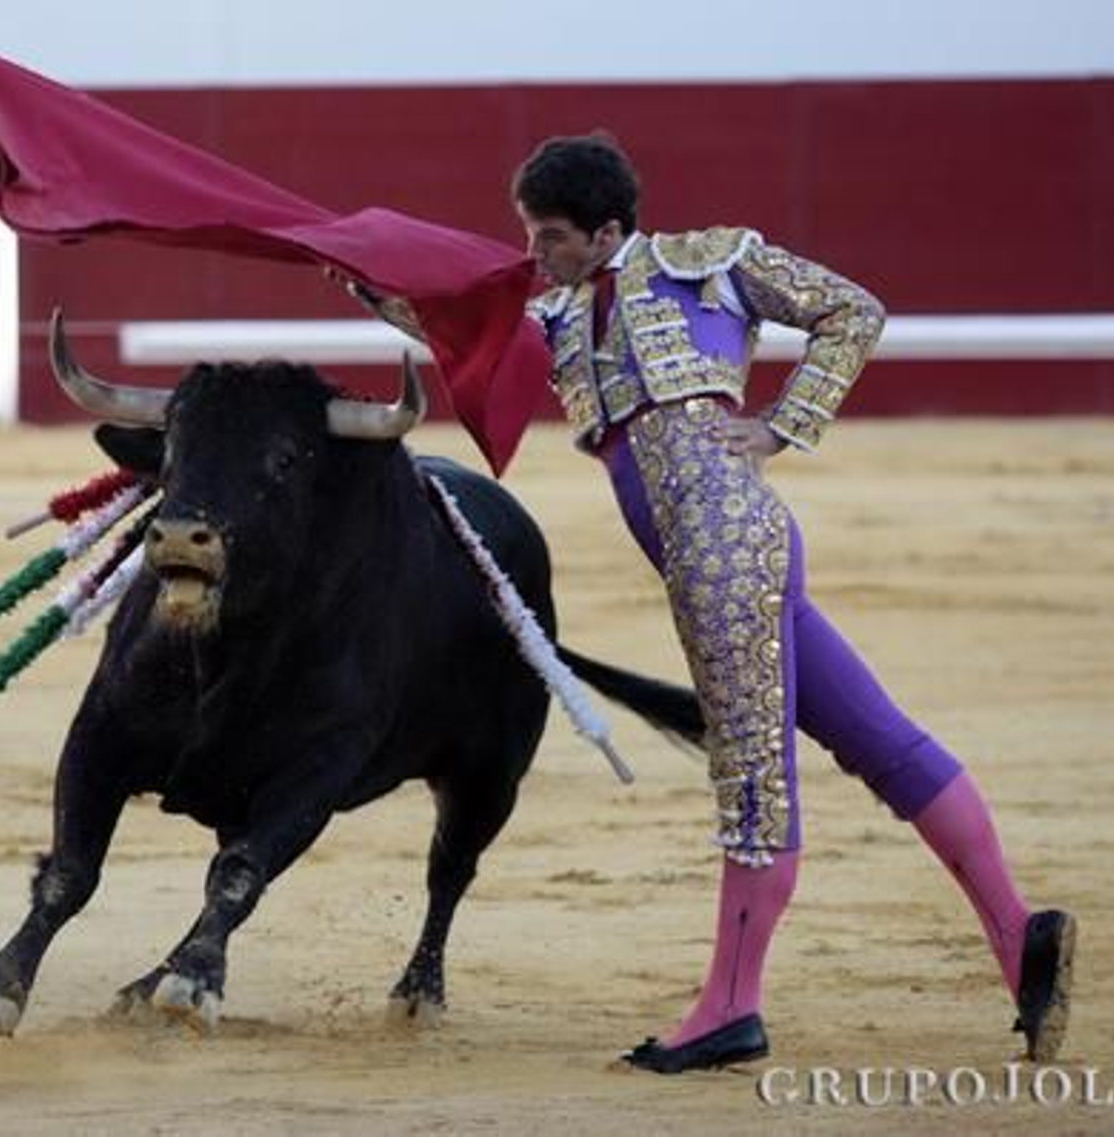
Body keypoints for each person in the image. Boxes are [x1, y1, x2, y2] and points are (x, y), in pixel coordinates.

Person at [350, 132, 1075, 1075]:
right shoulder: (571, 315)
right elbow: (495, 344)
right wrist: (387, 300)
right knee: (879, 740)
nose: (536, 254)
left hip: (725, 550)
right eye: (529, 233)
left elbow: (853, 311)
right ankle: (1023, 938)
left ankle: (731, 1007)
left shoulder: (709, 264)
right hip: (717, 555)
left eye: (552, 236)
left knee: (751, 780)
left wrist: (782, 426)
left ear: (607, 229)